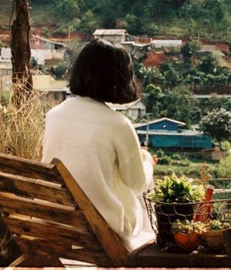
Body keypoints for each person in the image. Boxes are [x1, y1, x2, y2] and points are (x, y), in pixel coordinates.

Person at [42, 39, 157, 251]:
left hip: (57, 219)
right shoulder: (118, 125)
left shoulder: (54, 115)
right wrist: (147, 161)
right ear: (120, 77)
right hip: (104, 228)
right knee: (140, 188)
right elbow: (137, 185)